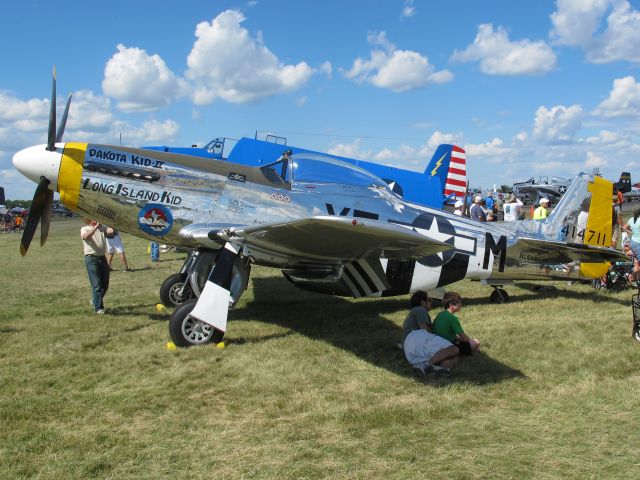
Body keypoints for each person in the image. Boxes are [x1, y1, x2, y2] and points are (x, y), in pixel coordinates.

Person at [402, 291, 459, 375]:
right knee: (454, 349)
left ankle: (440, 370)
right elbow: (424, 328)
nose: (431, 302)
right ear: (422, 302)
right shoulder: (420, 309)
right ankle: (426, 366)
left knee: (449, 359)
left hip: (410, 352)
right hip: (416, 337)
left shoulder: (414, 312)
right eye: (429, 300)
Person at [81, 218, 113, 314]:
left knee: (105, 284)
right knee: (97, 284)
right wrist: (95, 227)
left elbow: (111, 231)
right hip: (91, 258)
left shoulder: (102, 227)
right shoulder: (85, 228)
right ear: (89, 219)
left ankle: (95, 300)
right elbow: (85, 237)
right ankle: (99, 308)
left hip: (102, 257)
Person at [432, 291, 480, 356]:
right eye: (459, 302)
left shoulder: (440, 314)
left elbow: (452, 335)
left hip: (435, 346)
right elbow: (464, 338)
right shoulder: (452, 318)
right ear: (451, 305)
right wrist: (473, 345)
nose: (461, 304)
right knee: (476, 342)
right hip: (447, 347)